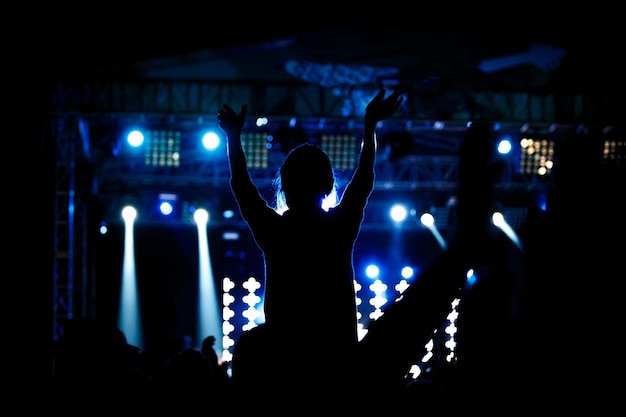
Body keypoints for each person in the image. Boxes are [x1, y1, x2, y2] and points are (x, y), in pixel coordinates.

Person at [218, 88, 404, 413]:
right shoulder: (339, 228)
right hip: (338, 364)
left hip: (283, 366)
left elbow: (242, 187)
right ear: (329, 187)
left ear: (284, 187)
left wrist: (234, 137)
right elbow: (363, 180)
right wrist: (369, 126)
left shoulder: (274, 230)